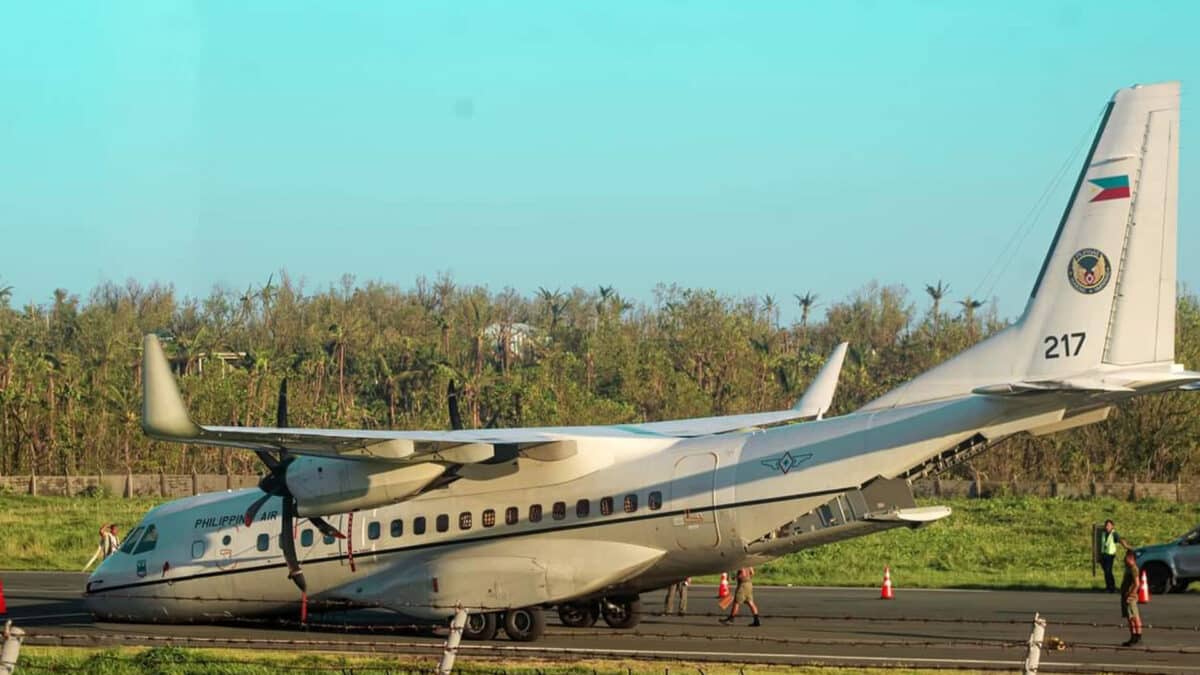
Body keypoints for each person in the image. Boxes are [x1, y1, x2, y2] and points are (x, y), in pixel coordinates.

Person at [1098, 519, 1131, 593]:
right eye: (1106, 525)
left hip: (1110, 555)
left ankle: (1111, 588)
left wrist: (1127, 547)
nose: (1107, 527)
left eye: (1109, 525)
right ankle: (1109, 587)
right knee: (1106, 572)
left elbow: (1120, 540)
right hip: (1104, 555)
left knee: (1108, 571)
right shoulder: (1103, 533)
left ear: (1112, 526)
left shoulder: (1114, 534)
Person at [1119, 550, 1144, 646]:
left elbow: (1137, 584)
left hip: (1130, 596)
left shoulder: (1134, 569)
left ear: (1131, 558)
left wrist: (1131, 594)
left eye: (1126, 557)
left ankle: (1138, 636)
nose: (1124, 559)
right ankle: (1133, 636)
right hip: (1125, 595)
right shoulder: (1128, 568)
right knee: (1129, 617)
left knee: (1134, 617)